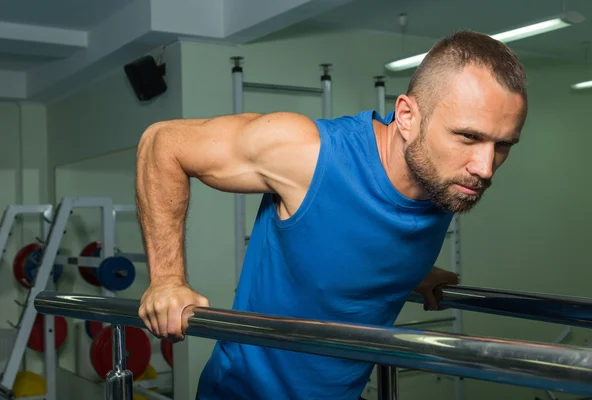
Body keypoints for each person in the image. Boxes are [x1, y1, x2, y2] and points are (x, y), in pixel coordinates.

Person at [135, 29, 528, 400]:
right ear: (407, 117)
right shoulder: (308, 153)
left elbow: (353, 238)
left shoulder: (446, 182)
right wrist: (167, 280)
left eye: (503, 145)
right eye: (468, 137)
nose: (485, 167)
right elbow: (162, 142)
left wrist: (412, 273)